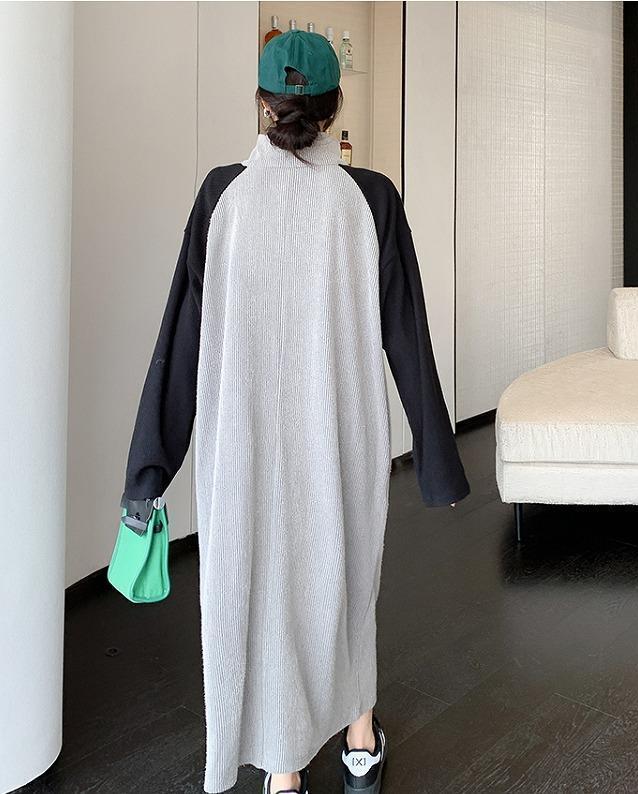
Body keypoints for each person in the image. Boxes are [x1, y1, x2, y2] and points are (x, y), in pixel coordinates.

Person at [120, 28, 470, 794]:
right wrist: (438, 466)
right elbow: (408, 337)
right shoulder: (370, 198)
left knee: (264, 596)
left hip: (240, 449)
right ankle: (359, 741)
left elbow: (179, 342)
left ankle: (284, 775)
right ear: (334, 106)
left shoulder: (221, 196)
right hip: (339, 441)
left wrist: (148, 474)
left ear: (263, 103)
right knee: (341, 590)